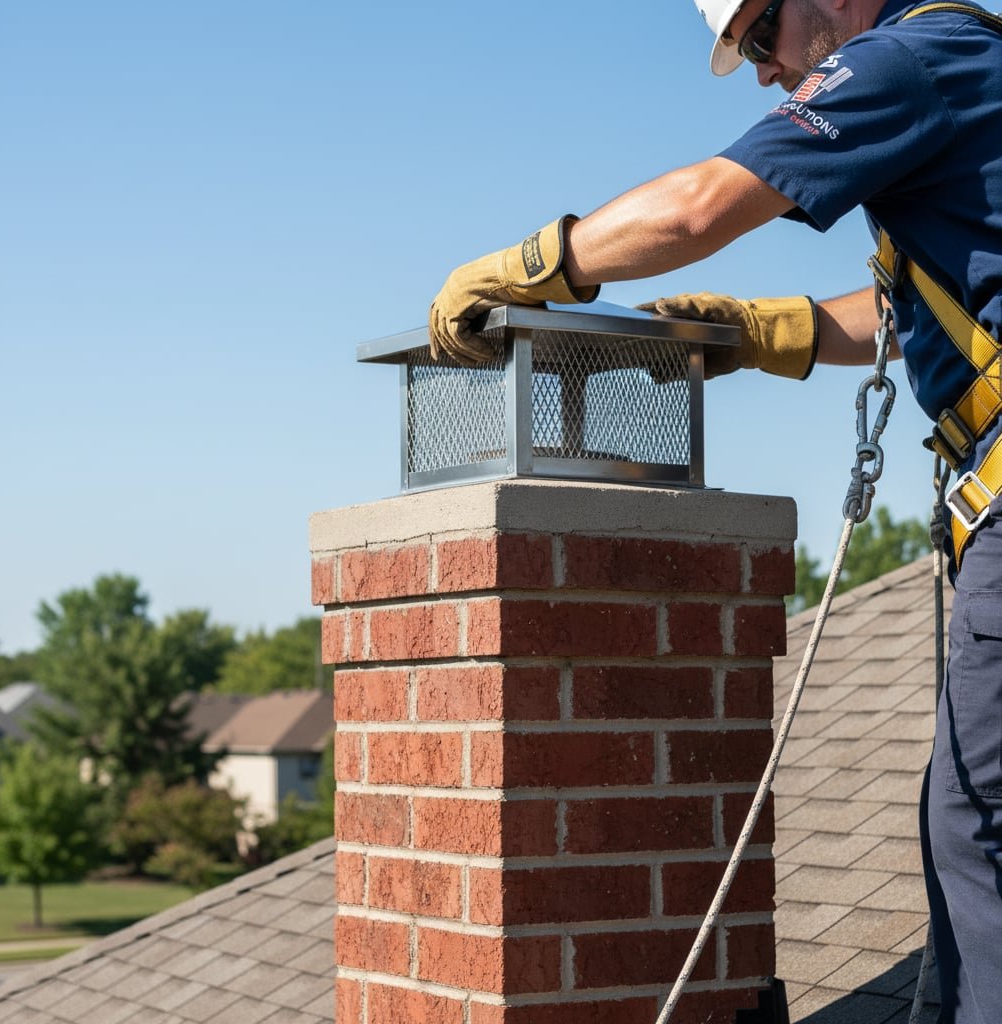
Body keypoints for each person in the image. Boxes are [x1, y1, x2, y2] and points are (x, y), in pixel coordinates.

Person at [427, 2, 1002, 1022]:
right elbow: (919, 301)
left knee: (978, 820)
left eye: (764, 33)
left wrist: (530, 265)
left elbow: (701, 206)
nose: (767, 72)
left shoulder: (910, 56)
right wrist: (762, 330)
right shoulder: (953, 62)